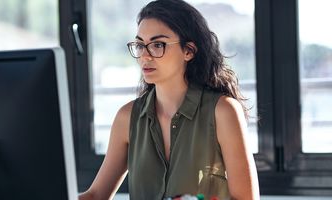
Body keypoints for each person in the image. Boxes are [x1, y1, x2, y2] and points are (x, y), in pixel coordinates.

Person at [79, 0, 260, 199]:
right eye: (140, 45)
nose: (144, 56)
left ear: (188, 51)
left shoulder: (223, 111)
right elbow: (96, 196)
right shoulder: (127, 117)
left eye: (158, 45)